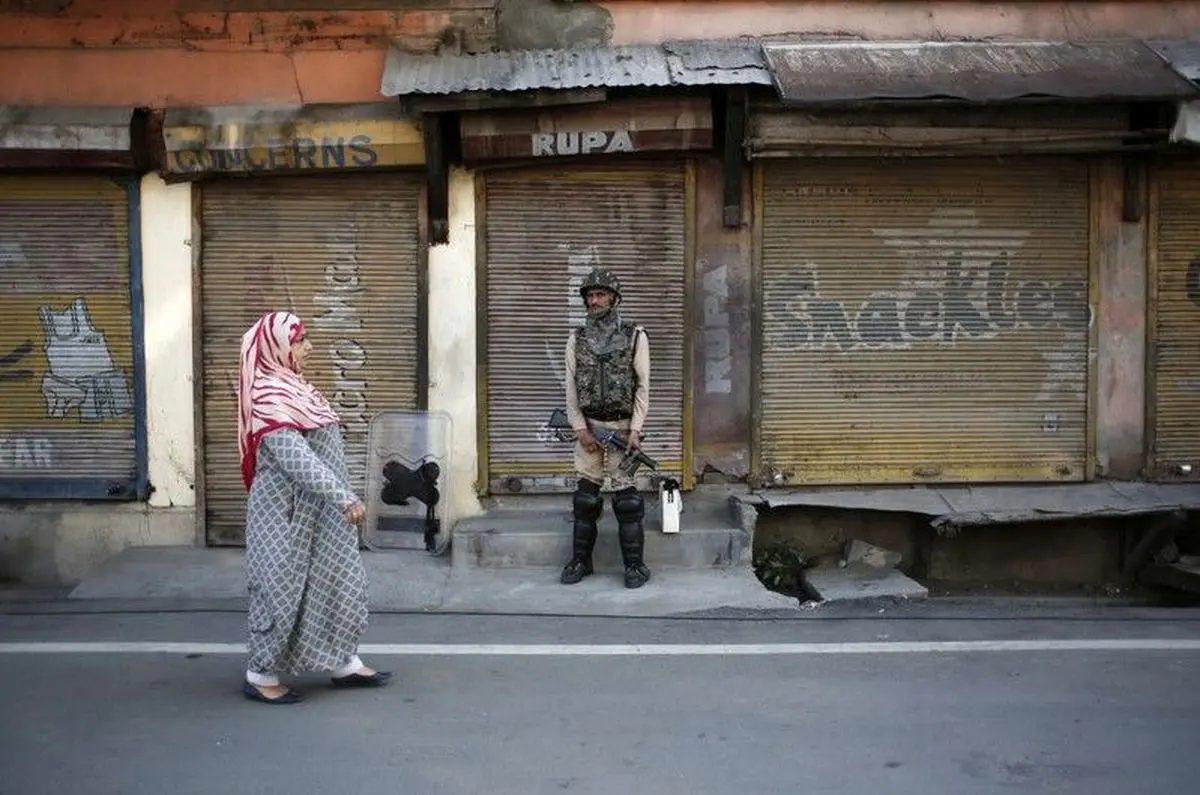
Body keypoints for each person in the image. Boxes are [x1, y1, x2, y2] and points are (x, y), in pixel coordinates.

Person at [236, 310, 391, 705]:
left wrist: (338, 500)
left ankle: (343, 661)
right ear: (277, 346)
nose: (308, 347)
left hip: (321, 512)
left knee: (337, 582)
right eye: (299, 340)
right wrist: (345, 498)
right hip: (285, 515)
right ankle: (260, 672)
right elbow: (296, 459)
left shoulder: (296, 387)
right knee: (280, 590)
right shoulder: (268, 395)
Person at [560, 267, 652, 589]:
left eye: (600, 294)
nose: (594, 300)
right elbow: (570, 389)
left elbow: (643, 387)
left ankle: (635, 567)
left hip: (622, 429)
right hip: (589, 429)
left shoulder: (635, 335)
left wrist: (636, 430)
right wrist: (579, 429)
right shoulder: (577, 338)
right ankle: (580, 562)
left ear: (613, 298)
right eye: (590, 295)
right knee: (585, 502)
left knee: (627, 504)